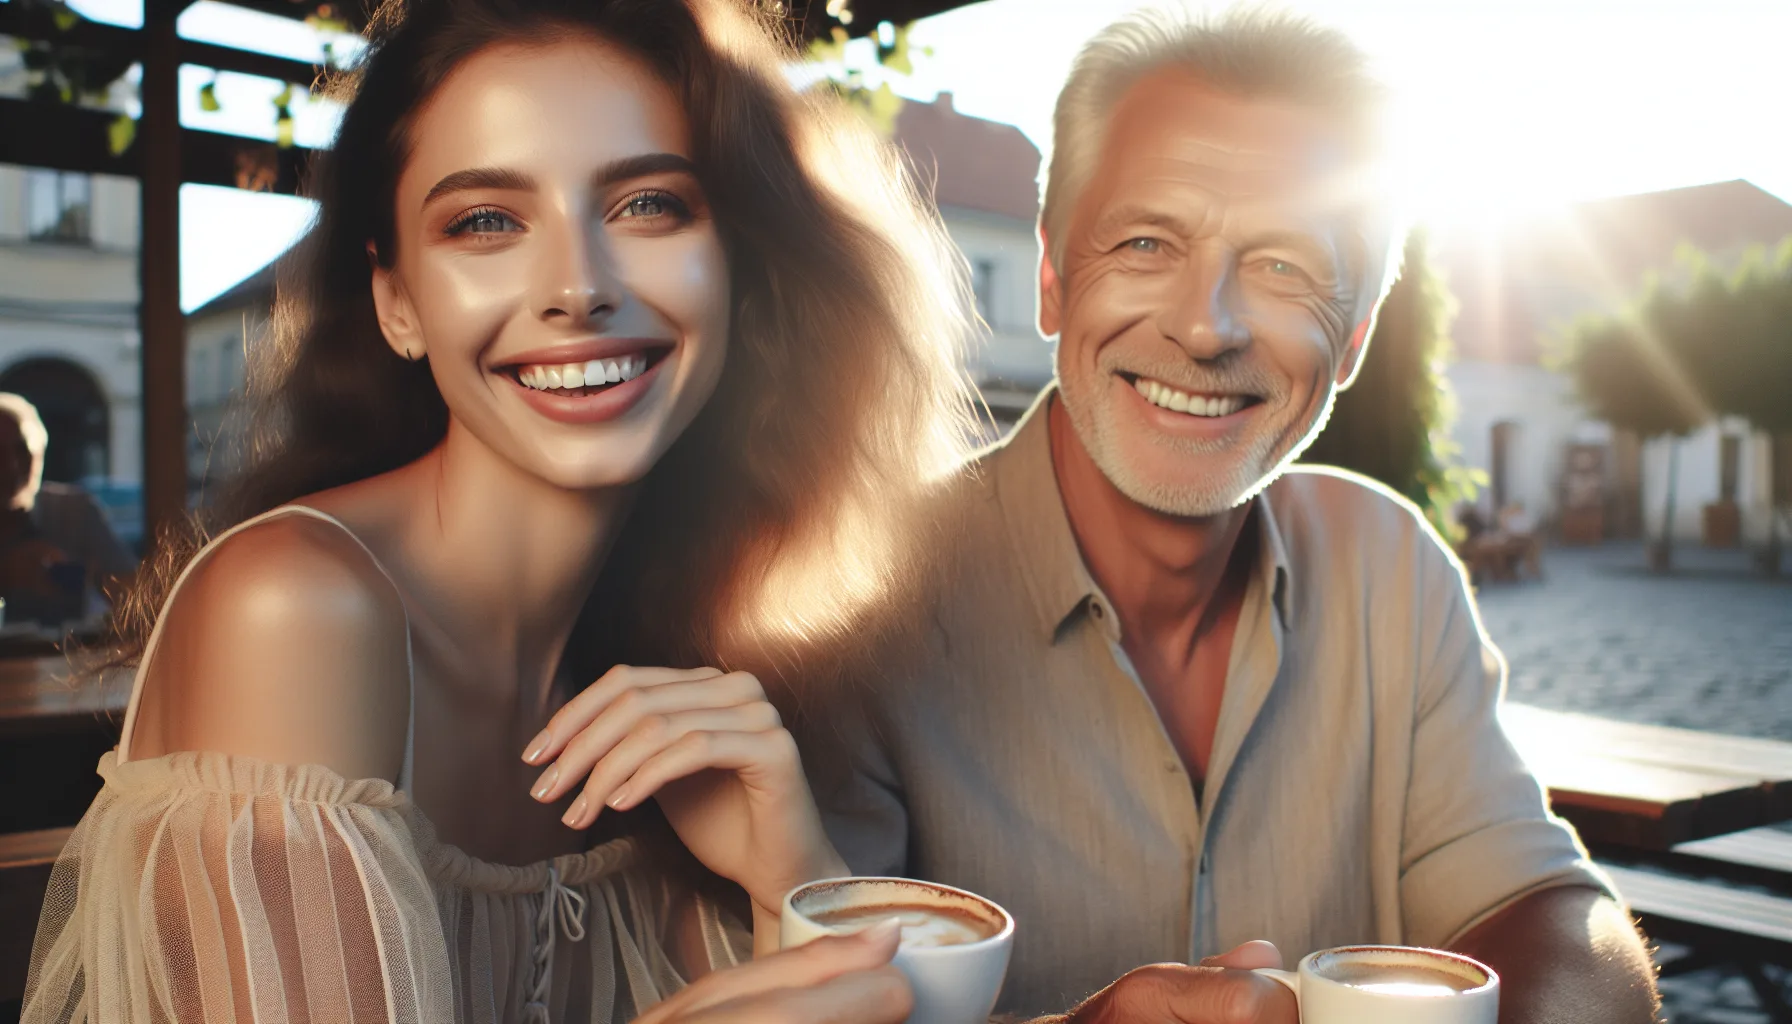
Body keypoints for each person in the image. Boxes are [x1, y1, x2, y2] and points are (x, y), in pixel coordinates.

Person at [24, 0, 975, 1020]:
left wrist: (793, 868)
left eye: (648, 205)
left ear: (740, 272)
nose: (577, 286)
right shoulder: (296, 607)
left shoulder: (677, 643)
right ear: (398, 303)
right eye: (486, 221)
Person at [793, 8, 1659, 1022]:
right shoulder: (858, 595)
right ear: (1051, 279)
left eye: (1284, 264)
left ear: (1351, 343)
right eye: (1146, 241)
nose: (1206, 326)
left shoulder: (1392, 566)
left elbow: (1548, 903)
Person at [0, 392, 136, 626]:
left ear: (40, 456)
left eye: (22, 451)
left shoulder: (75, 512)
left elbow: (134, 594)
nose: (12, 467)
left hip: (66, 658)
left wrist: (86, 579)